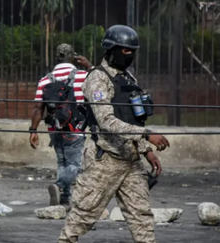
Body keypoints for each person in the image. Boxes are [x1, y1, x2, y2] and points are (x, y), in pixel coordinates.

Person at [58, 25, 170, 243]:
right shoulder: (97, 79)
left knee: (142, 217)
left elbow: (131, 118)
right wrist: (147, 135)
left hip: (131, 161)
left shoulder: (128, 79)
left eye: (132, 51)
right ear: (110, 50)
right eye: (125, 51)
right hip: (104, 160)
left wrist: (146, 150)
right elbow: (107, 121)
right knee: (83, 216)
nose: (129, 56)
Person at [29, 43, 92, 206]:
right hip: (75, 128)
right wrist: (89, 66)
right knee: (75, 165)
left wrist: (33, 131)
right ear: (73, 57)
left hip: (54, 129)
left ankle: (63, 198)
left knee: (62, 162)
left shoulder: (45, 79)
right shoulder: (83, 76)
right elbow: (100, 86)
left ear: (57, 57)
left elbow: (38, 108)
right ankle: (59, 185)